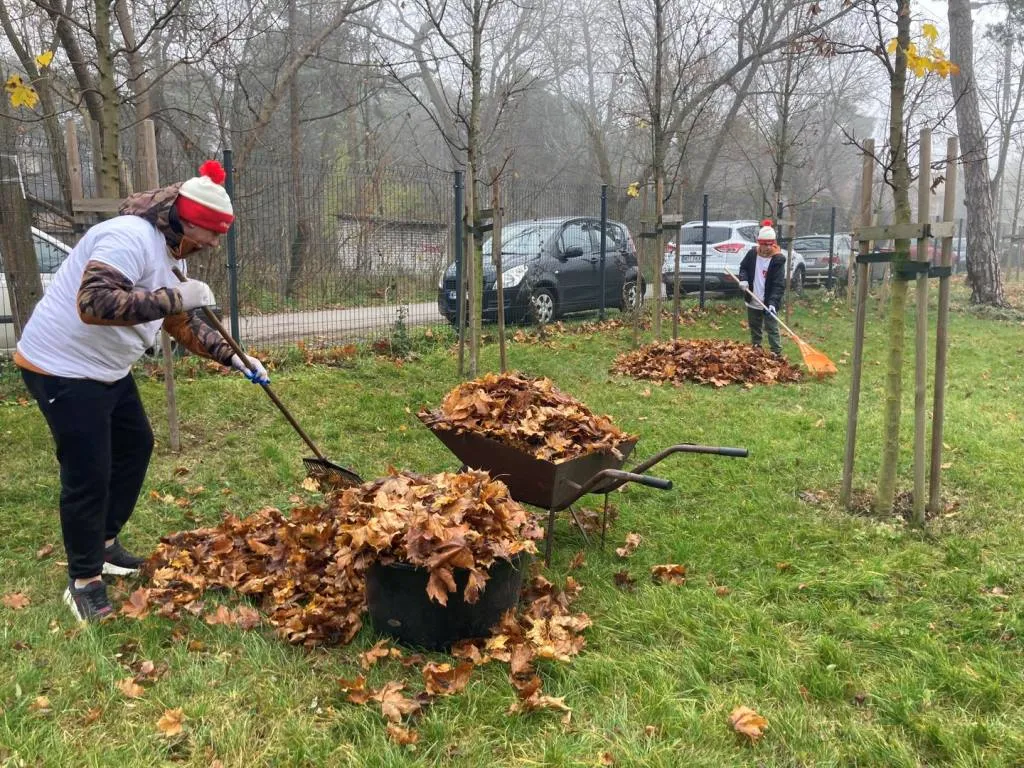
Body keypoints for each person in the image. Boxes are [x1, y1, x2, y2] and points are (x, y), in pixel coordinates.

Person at [14, 160, 270, 623]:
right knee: (88, 471)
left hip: (106, 368)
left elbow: (178, 322)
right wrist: (177, 297)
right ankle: (85, 580)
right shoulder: (128, 237)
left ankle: (106, 543)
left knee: (135, 446)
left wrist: (235, 358)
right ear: (187, 220)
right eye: (212, 233)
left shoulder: (173, 253)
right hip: (61, 366)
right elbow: (94, 302)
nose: (215, 243)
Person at [735, 219, 786, 356]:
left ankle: (776, 353)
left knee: (772, 327)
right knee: (754, 326)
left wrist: (773, 303)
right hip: (753, 297)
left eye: (770, 244)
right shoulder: (752, 254)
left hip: (768, 301)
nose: (768, 247)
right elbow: (743, 268)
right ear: (759, 243)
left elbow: (778, 284)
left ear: (774, 243)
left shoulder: (778, 260)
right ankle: (756, 350)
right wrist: (743, 279)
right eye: (765, 244)